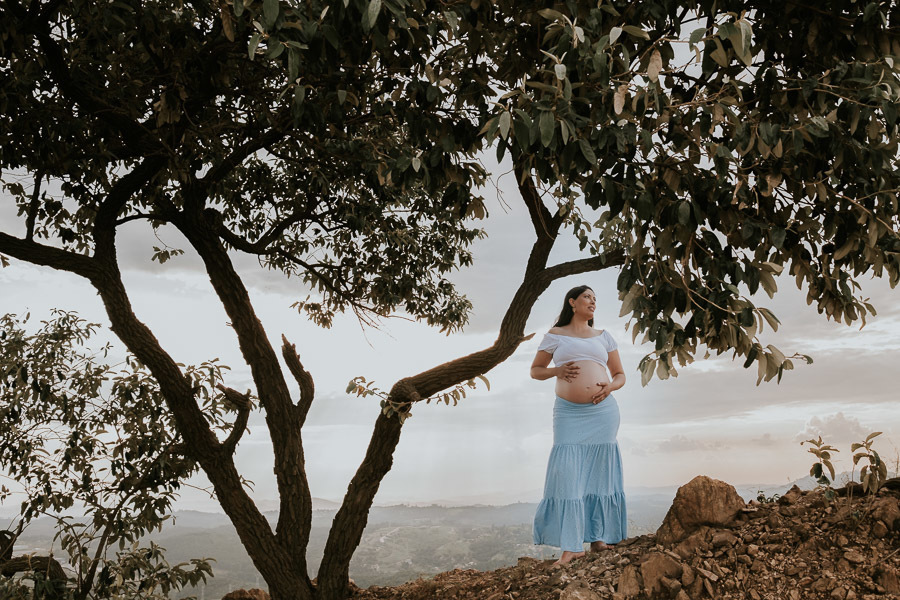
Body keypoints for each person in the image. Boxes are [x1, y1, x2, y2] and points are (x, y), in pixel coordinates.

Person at [530, 285, 627, 565]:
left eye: (595, 298)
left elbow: (620, 375)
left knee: (599, 473)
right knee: (568, 473)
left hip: (602, 412)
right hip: (569, 413)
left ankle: (597, 537)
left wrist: (609, 388)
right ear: (572, 302)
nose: (592, 301)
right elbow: (535, 371)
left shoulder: (604, 337)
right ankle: (572, 546)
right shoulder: (555, 336)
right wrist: (557, 371)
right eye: (587, 297)